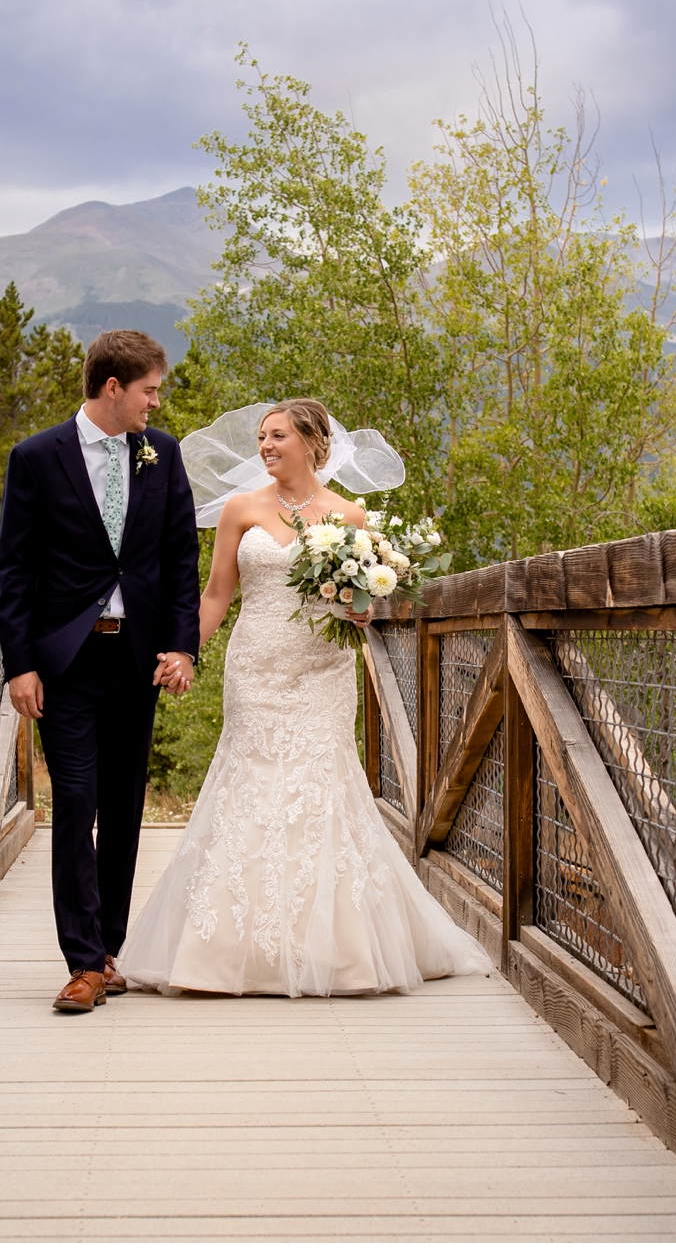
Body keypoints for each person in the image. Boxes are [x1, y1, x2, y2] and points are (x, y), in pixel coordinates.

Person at [115, 398, 491, 996]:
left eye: (278, 437)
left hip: (322, 668)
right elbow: (216, 594)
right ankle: (230, 948)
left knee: (320, 787)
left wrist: (361, 609)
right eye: (262, 438)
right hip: (255, 666)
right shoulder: (241, 509)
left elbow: (366, 600)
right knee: (250, 782)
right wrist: (186, 649)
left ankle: (335, 950)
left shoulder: (351, 516)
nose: (265, 447)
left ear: (313, 443)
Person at [0, 330, 201, 1014]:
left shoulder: (161, 454)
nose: (156, 401)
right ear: (113, 388)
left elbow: (178, 560)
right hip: (69, 661)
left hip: (137, 659)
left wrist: (183, 648)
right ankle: (81, 962)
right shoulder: (35, 458)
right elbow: (14, 570)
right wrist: (19, 663)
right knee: (76, 801)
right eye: (149, 390)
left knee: (123, 809)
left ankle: (110, 951)